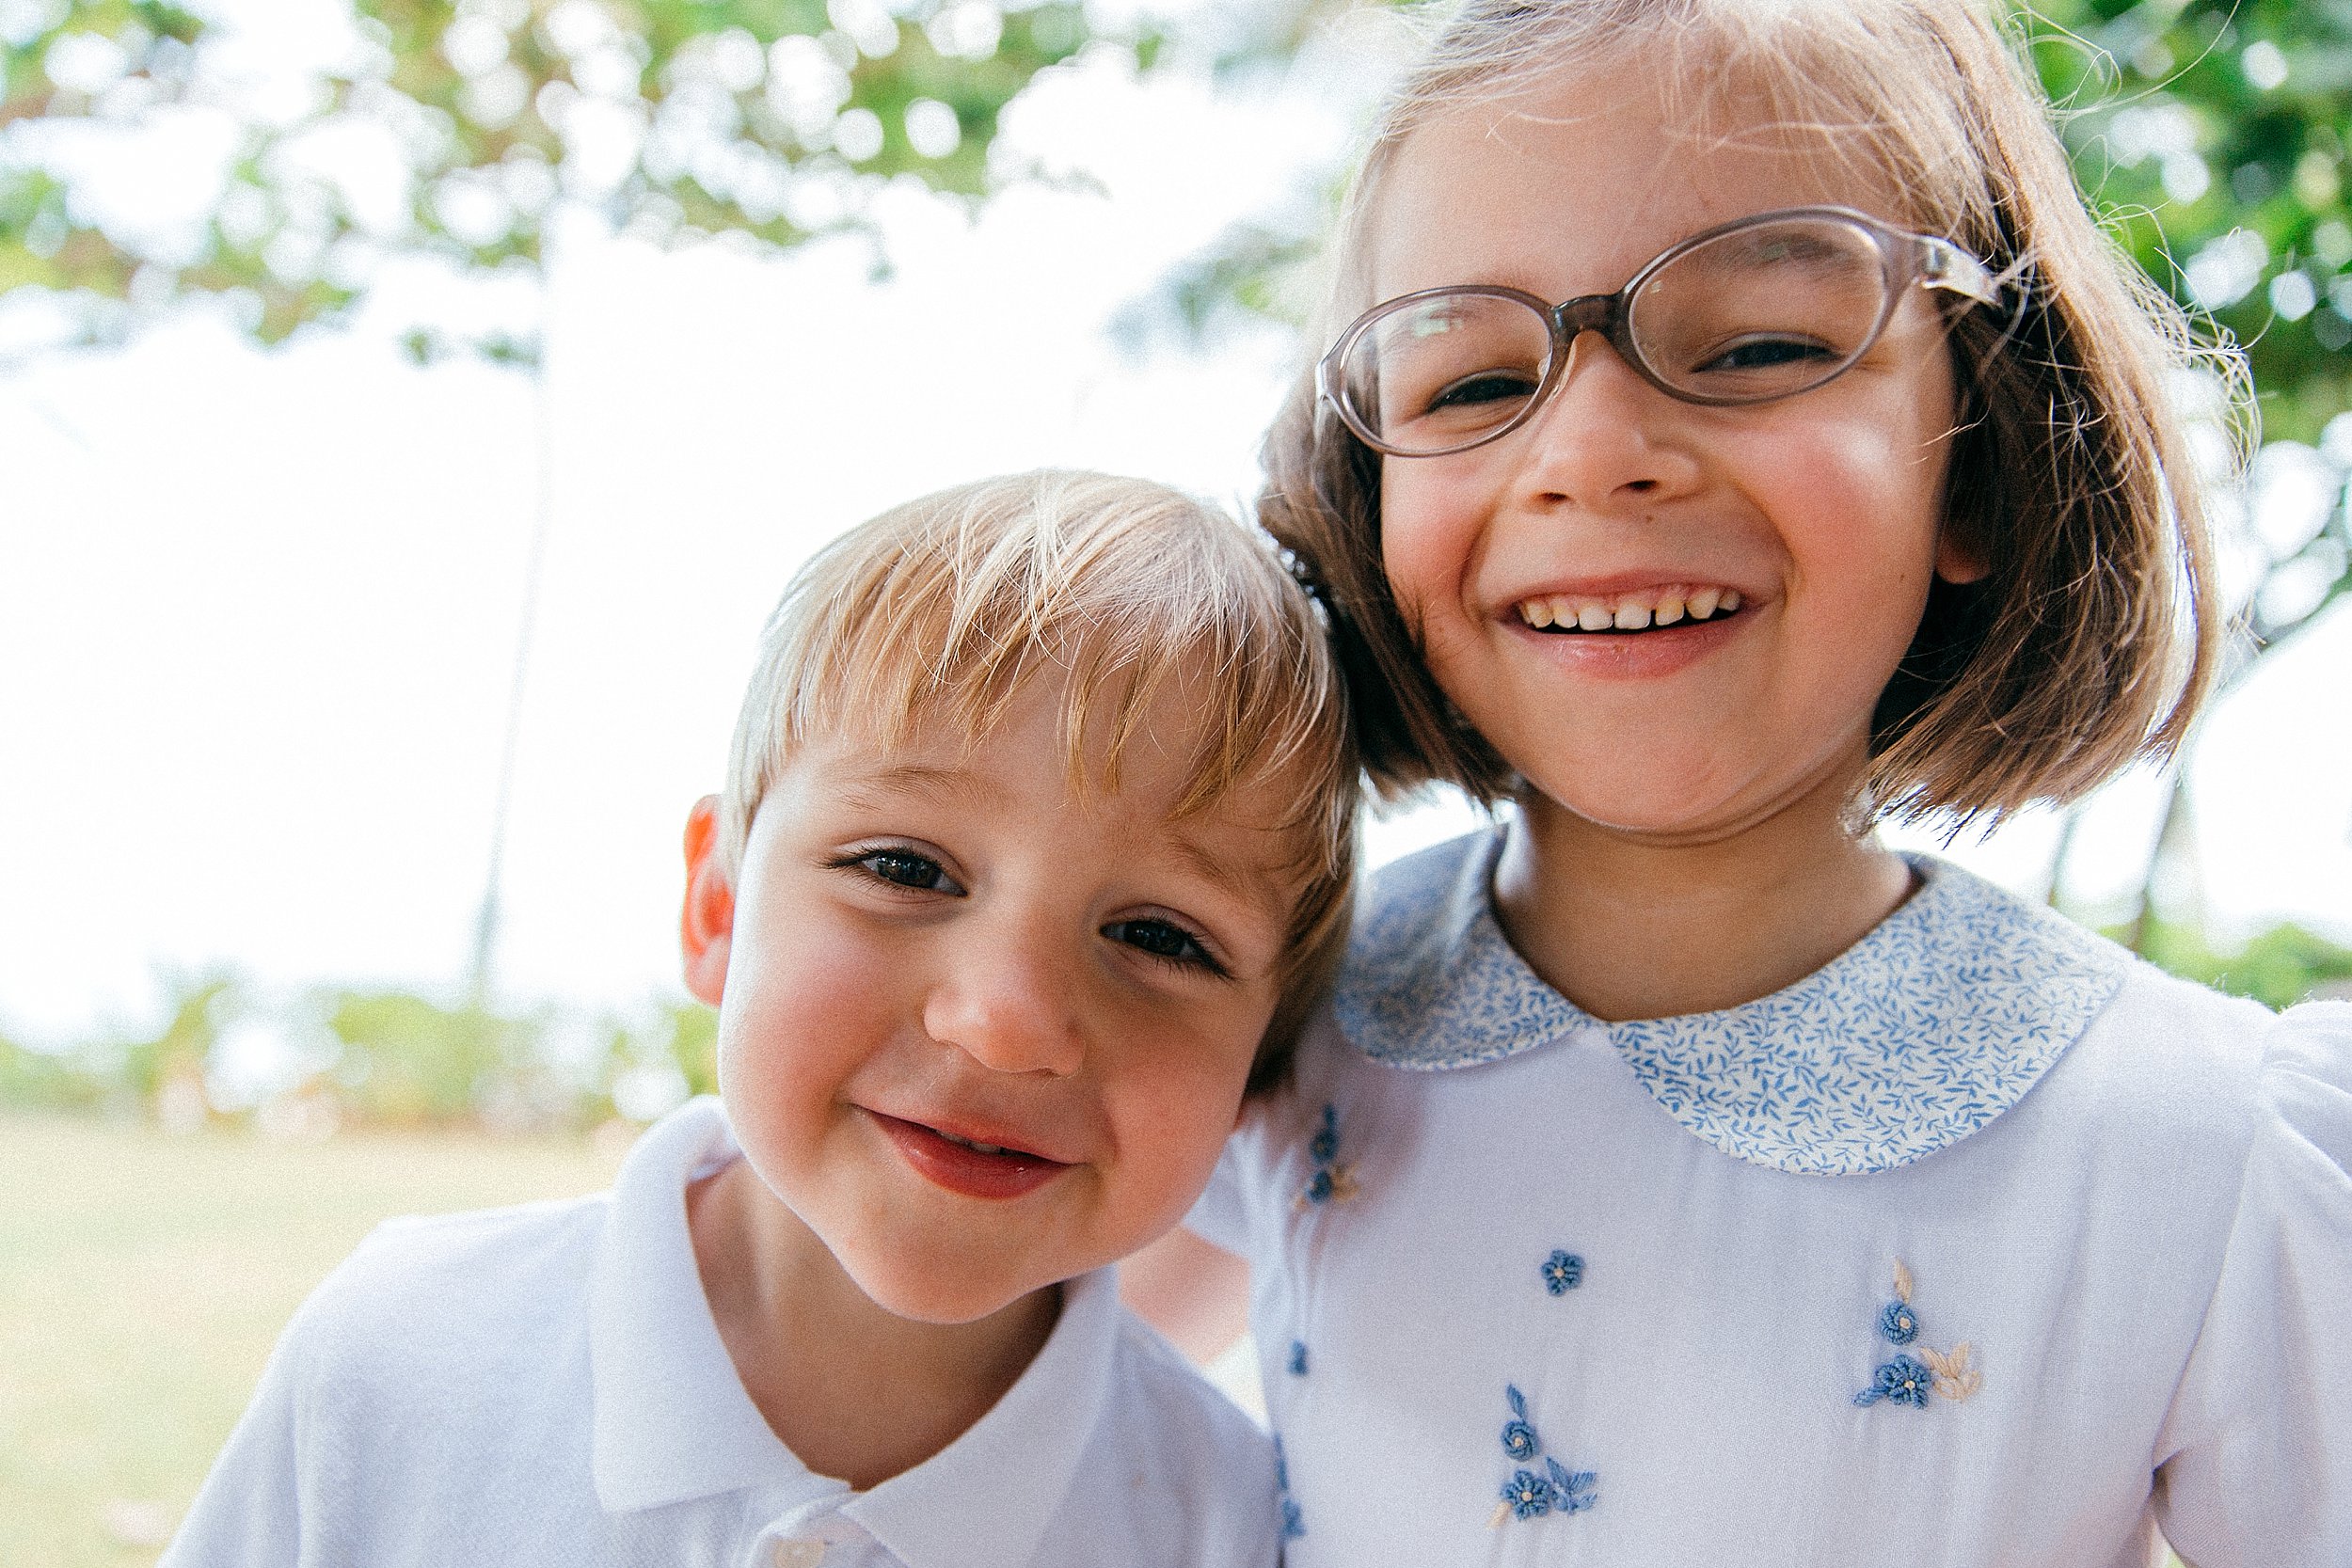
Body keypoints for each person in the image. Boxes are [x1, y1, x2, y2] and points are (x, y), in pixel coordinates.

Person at [1125, 2, 2352, 1563]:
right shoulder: (1266, 1020)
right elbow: (1014, 1397)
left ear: (1975, 457)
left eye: (1764, 345)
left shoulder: (2204, 1150)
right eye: (1470, 385)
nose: (1595, 449)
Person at [162, 470, 1358, 1567]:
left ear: (1262, 1058)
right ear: (718, 906)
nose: (1005, 1022)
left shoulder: (1223, 1517)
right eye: (906, 866)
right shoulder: (404, 1353)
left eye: (1160, 936)